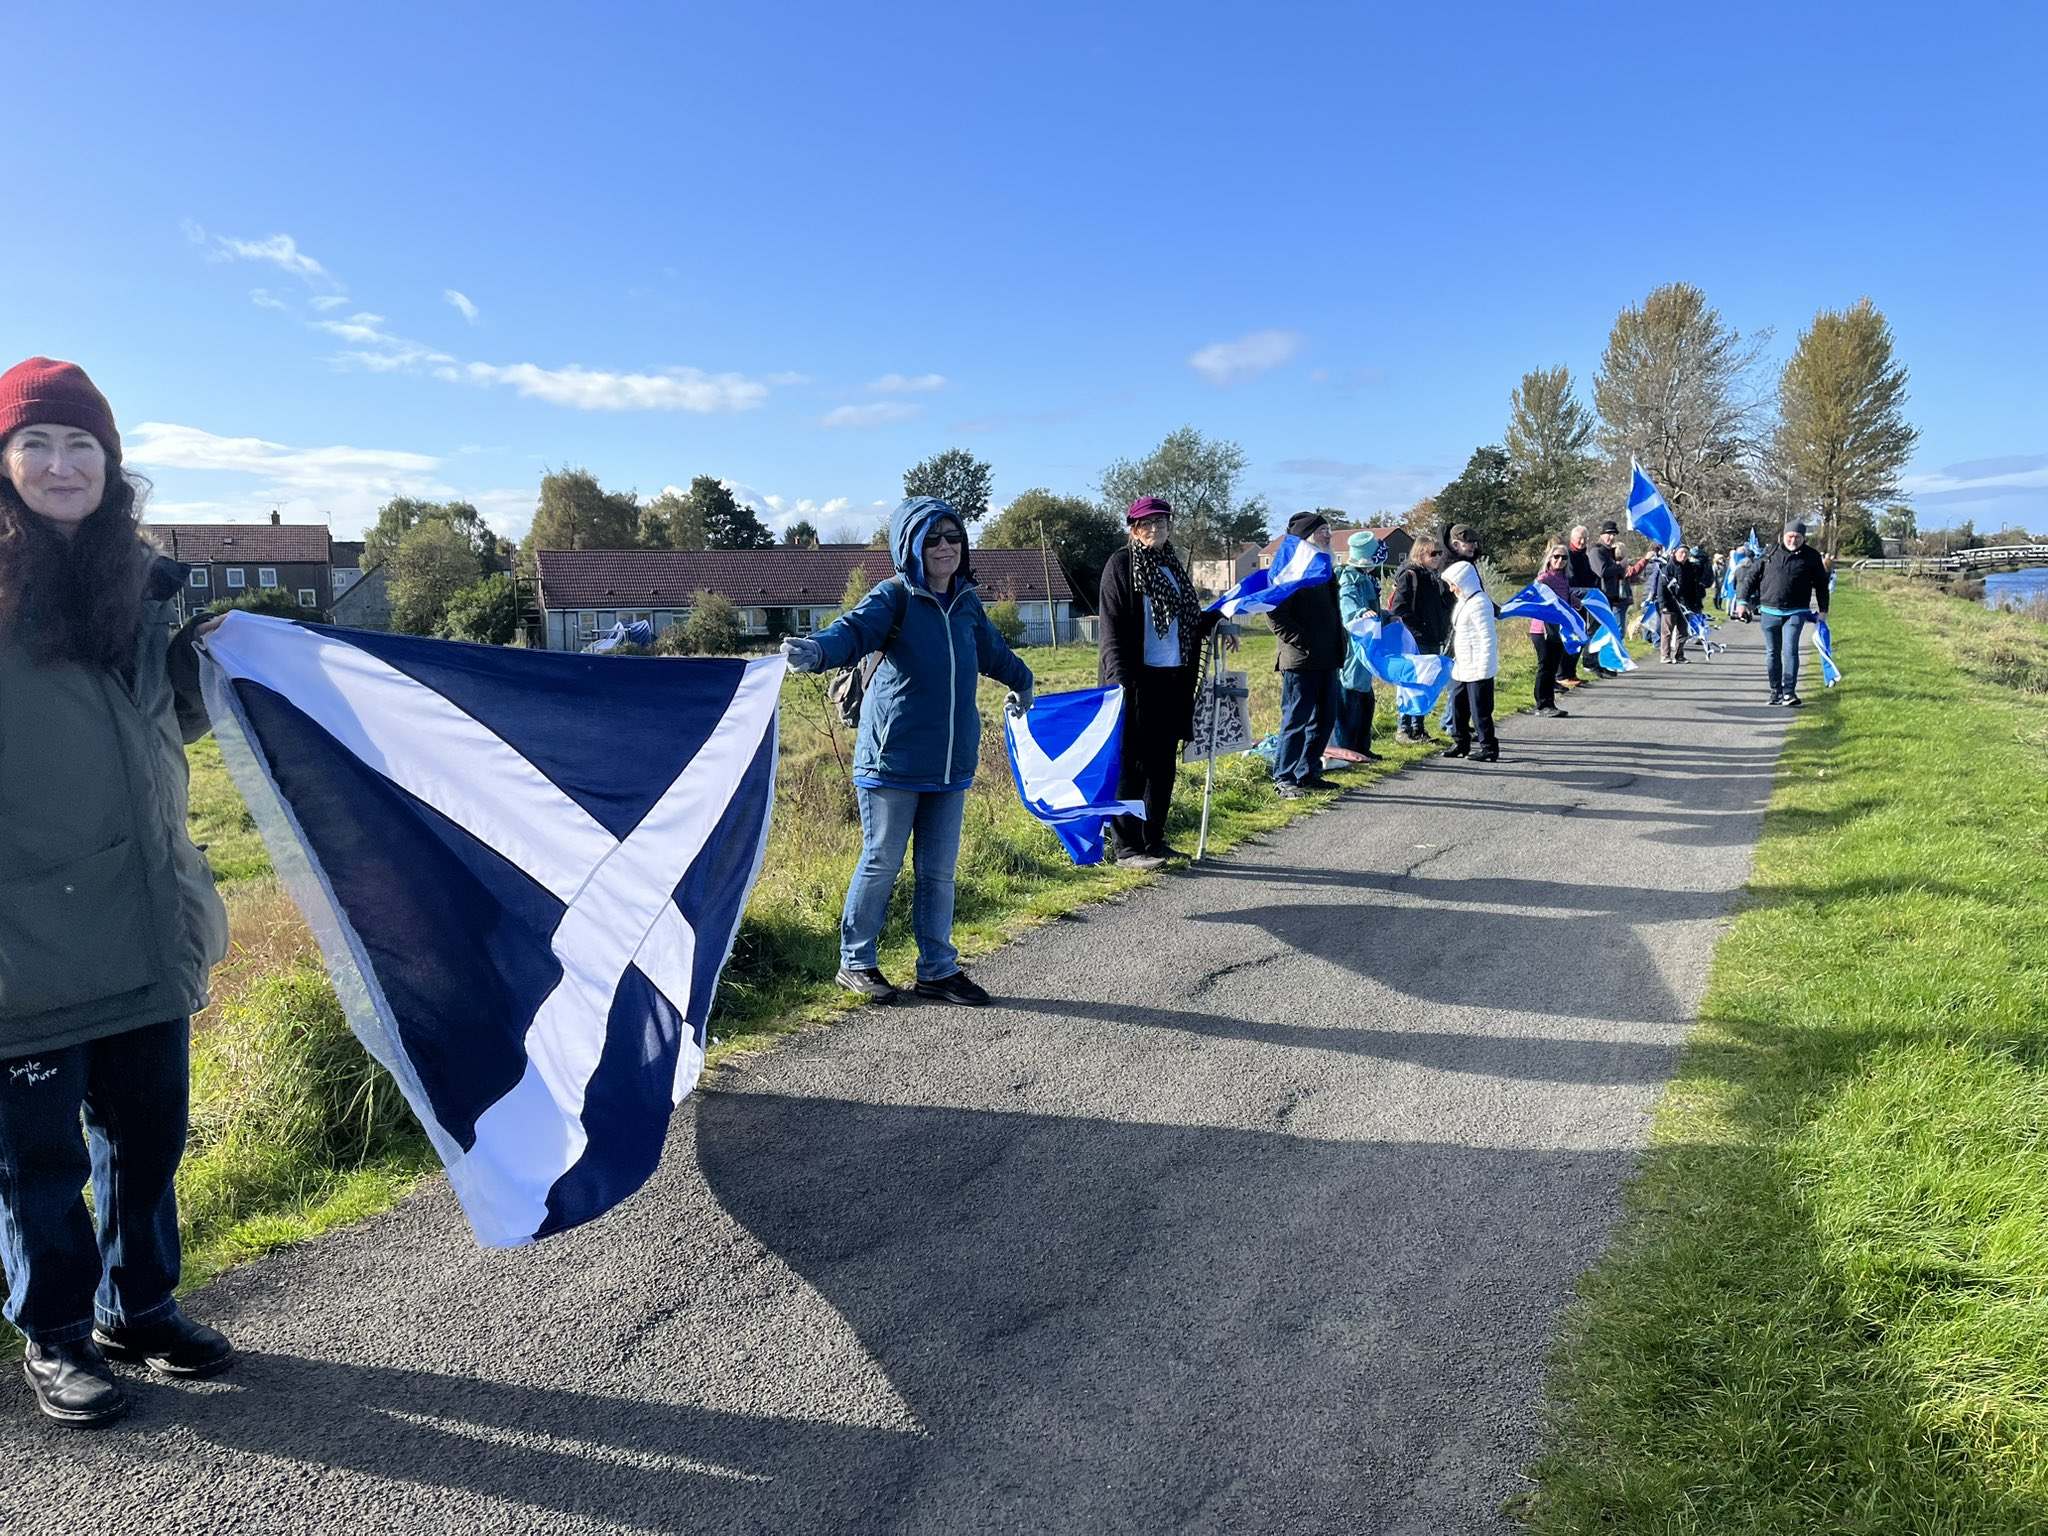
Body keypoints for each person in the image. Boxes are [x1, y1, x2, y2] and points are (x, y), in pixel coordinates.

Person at [0, 357, 236, 1428]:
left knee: (148, 1140)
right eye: (36, 444)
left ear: (112, 467)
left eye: (81, 446)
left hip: (146, 920)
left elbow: (154, 731)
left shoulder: (133, 584)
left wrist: (212, 669)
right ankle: (53, 1335)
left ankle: (138, 1306)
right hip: (23, 943)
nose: (60, 464)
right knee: (36, 1162)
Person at [781, 497, 1034, 1006]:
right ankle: (856, 962)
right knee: (881, 862)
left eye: (953, 537)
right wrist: (817, 651)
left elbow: (993, 653)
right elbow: (850, 632)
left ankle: (937, 970)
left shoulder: (966, 602)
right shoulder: (893, 596)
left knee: (938, 872)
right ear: (910, 545)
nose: (945, 546)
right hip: (892, 761)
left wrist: (1022, 680)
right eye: (933, 537)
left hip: (951, 761)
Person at [1096, 496, 1228, 868]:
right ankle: (1127, 847)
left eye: (1161, 522)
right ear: (1133, 529)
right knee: (1132, 765)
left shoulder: (1171, 566)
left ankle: (1154, 840)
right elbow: (1113, 631)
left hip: (1174, 678)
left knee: (1162, 765)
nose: (1155, 529)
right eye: (1146, 523)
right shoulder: (1121, 565)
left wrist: (1221, 619)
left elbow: (1190, 620)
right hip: (1135, 682)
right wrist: (1120, 684)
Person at [1267, 512, 1345, 799]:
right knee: (1295, 720)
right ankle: (1284, 777)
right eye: (1322, 530)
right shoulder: (1291, 567)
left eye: (1328, 529)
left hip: (1328, 658)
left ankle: (1308, 772)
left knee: (1325, 719)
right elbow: (1275, 613)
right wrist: (1303, 642)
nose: (1328, 535)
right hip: (1300, 660)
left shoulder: (1324, 566)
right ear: (1307, 536)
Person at [1734, 519, 1830, 707]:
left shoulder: (1811, 557)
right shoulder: (1769, 553)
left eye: (1797, 537)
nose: (1793, 540)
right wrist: (1742, 602)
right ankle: (1775, 691)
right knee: (1772, 652)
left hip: (1796, 611)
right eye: (1790, 536)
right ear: (1783, 536)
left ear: (1803, 538)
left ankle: (1789, 692)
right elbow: (1750, 578)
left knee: (1790, 650)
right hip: (1769, 610)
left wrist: (1823, 610)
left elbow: (1821, 585)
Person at [1386, 536, 1451, 741]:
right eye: (1433, 553)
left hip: (1432, 636)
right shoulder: (1410, 575)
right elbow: (1400, 608)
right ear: (1420, 553)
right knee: (1410, 682)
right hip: (1415, 638)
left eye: (1440, 553)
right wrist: (1419, 629)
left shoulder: (1433, 576)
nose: (1438, 557)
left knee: (1425, 683)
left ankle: (1418, 728)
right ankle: (1403, 729)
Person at [1333, 530, 1385, 761]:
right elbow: (1349, 611)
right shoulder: (1349, 579)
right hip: (1353, 649)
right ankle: (1348, 749)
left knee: (1365, 698)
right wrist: (1362, 612)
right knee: (1351, 698)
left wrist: (1388, 616)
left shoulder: (1366, 579)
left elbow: (1374, 610)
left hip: (1366, 648)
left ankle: (1363, 747)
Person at [1442, 559, 1500, 761]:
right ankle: (1460, 743)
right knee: (1458, 706)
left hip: (1478, 666)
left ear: (1464, 582)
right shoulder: (1463, 601)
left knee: (1480, 710)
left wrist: (1484, 668)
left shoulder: (1480, 603)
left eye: (1453, 584)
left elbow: (1487, 638)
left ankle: (1489, 748)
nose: (1451, 589)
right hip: (1462, 664)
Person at [1528, 540, 1573, 719]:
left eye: (1564, 557)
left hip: (1559, 629)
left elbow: (1567, 599)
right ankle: (1541, 704)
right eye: (1556, 556)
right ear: (1549, 558)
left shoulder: (1564, 579)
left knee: (1553, 667)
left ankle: (1550, 703)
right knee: (1545, 666)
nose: (1560, 560)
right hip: (1542, 629)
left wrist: (1577, 604)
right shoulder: (1543, 579)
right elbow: (1535, 599)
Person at [1586, 522, 1627, 678]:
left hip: (1610, 597)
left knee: (1604, 631)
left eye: (1613, 534)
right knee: (1594, 630)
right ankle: (1589, 662)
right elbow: (1602, 571)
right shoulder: (1596, 551)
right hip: (1598, 597)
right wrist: (1620, 566)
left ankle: (1601, 663)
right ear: (1601, 534)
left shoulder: (1610, 552)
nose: (1611, 537)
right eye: (1608, 534)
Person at [1560, 525, 1599, 686]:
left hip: (1582, 603)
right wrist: (1587, 590)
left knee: (1580, 637)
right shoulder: (1568, 556)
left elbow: (1590, 576)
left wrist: (1597, 587)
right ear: (1572, 539)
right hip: (1571, 602)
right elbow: (1570, 580)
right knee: (1570, 639)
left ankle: (1571, 673)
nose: (1582, 542)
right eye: (1579, 538)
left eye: (1585, 539)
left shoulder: (1584, 557)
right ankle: (1563, 674)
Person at [1658, 542, 1698, 662]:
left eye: (1686, 553)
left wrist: (1694, 603)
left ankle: (1679, 654)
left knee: (1683, 632)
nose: (1684, 555)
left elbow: (1693, 587)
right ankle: (1665, 655)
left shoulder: (1690, 568)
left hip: (1684, 605)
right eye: (1681, 552)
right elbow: (1661, 587)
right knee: (1667, 632)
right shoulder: (1667, 568)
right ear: (1675, 553)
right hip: (1670, 604)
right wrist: (1663, 605)